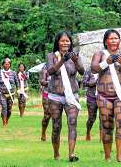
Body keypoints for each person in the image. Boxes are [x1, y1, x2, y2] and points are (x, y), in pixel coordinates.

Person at [91, 29, 121, 163]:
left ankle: (120, 155)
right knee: (107, 125)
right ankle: (107, 156)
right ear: (106, 41)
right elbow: (93, 68)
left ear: (119, 40)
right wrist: (107, 61)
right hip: (104, 95)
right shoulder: (100, 54)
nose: (114, 40)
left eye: (116, 38)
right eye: (111, 38)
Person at [46, 31, 84, 161]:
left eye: (67, 41)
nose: (65, 43)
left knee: (72, 122)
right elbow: (51, 71)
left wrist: (75, 60)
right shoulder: (51, 56)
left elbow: (82, 71)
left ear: (70, 43)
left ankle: (71, 154)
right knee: (56, 126)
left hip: (72, 96)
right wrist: (62, 59)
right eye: (62, 41)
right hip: (55, 97)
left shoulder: (75, 55)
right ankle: (56, 153)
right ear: (57, 42)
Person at [0, 57, 19, 127]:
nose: (6, 65)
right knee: (4, 108)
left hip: (11, 94)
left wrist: (18, 91)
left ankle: (6, 121)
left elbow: (17, 82)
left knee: (9, 110)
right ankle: (4, 123)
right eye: (5, 64)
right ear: (3, 65)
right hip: (2, 93)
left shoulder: (13, 73)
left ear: (10, 65)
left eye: (8, 64)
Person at [82, 68, 100, 141]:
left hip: (103, 97)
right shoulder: (89, 70)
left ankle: (102, 137)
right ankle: (88, 132)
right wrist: (94, 83)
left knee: (103, 118)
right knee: (92, 118)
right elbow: (84, 83)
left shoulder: (105, 70)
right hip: (91, 97)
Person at [40, 63, 51, 141]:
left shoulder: (62, 65)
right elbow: (42, 81)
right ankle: (43, 132)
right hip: (47, 94)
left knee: (57, 116)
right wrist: (51, 83)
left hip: (58, 94)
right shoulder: (46, 67)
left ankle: (56, 134)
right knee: (47, 115)